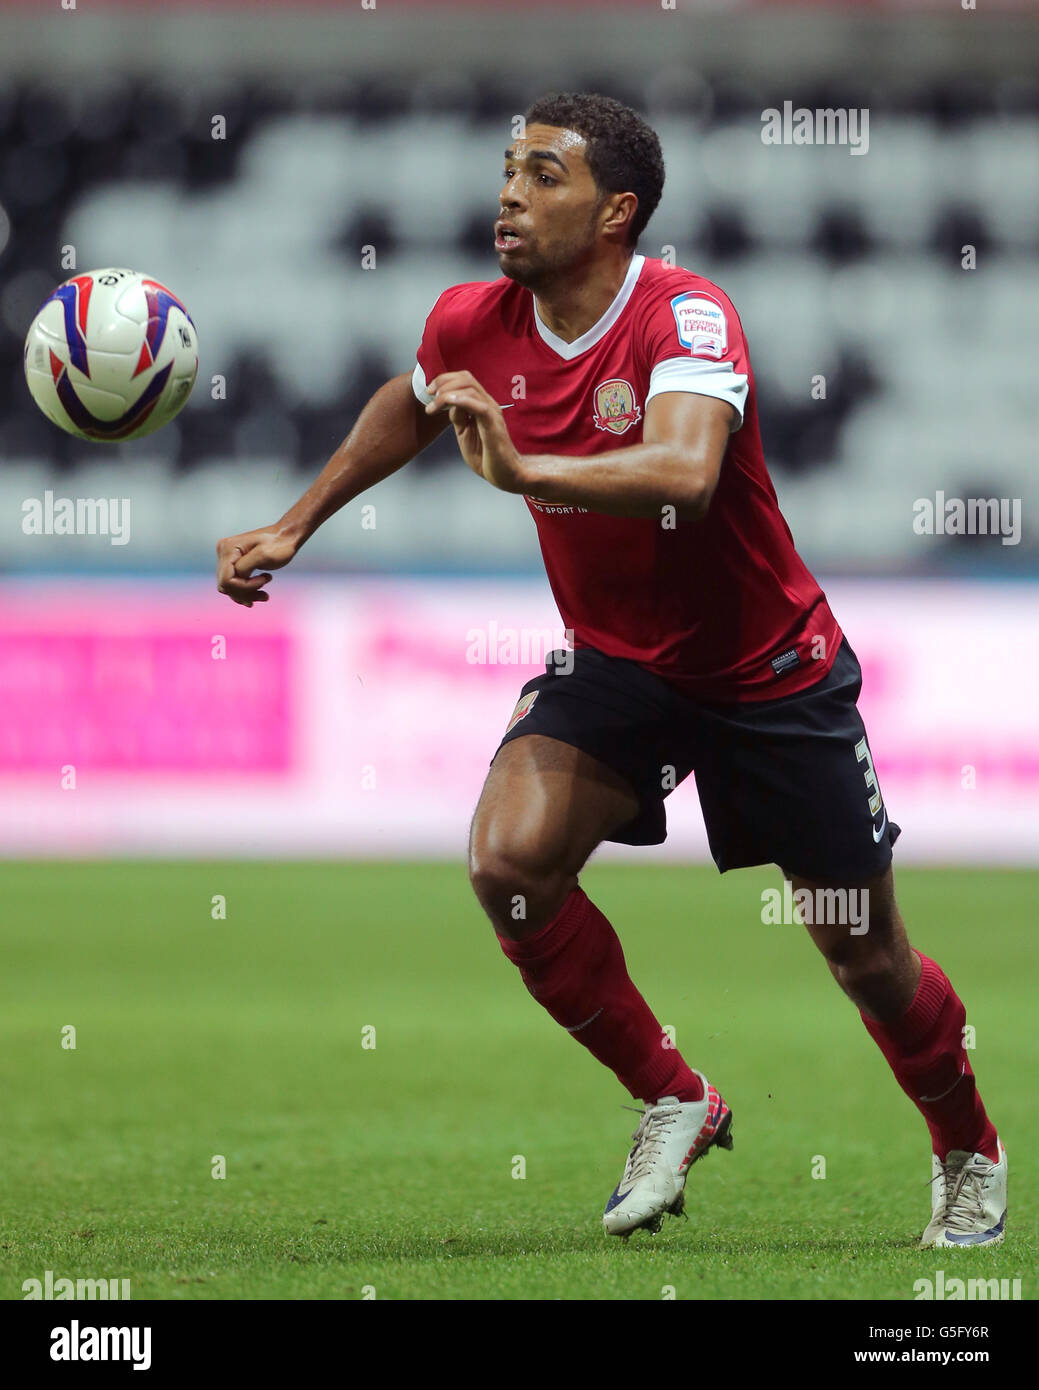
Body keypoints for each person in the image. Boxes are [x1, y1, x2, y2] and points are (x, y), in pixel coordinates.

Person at [216, 92, 1005, 1248]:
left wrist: (526, 462)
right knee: (509, 861)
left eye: (543, 174)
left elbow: (685, 472)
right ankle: (674, 1092)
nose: (509, 194)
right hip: (620, 664)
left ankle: (966, 1150)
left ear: (616, 210)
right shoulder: (471, 321)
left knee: (861, 949)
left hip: (769, 671)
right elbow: (418, 397)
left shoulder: (687, 320)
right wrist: (297, 523)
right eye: (506, 169)